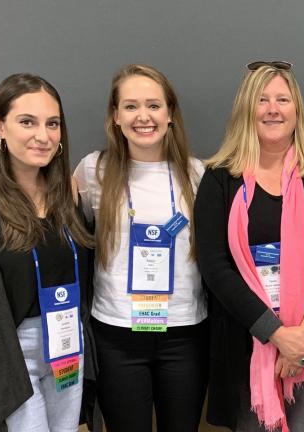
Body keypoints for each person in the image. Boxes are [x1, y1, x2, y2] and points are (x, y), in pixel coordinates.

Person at [194, 61, 304, 432]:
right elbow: (215, 267)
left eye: (283, 99)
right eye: (262, 100)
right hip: (247, 347)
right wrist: (277, 334)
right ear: (246, 110)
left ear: (297, 109)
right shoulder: (220, 178)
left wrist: (301, 340)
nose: (273, 109)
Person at [74, 64, 207, 431]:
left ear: (170, 114)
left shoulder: (197, 175)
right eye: (130, 106)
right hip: (117, 334)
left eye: (153, 105)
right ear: (115, 116)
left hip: (184, 333)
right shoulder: (92, 171)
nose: (143, 116)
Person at [0, 73, 94, 431]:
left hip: (67, 346)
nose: (43, 135)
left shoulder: (69, 192)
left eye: (53, 124)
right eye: (27, 122)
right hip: (7, 353)